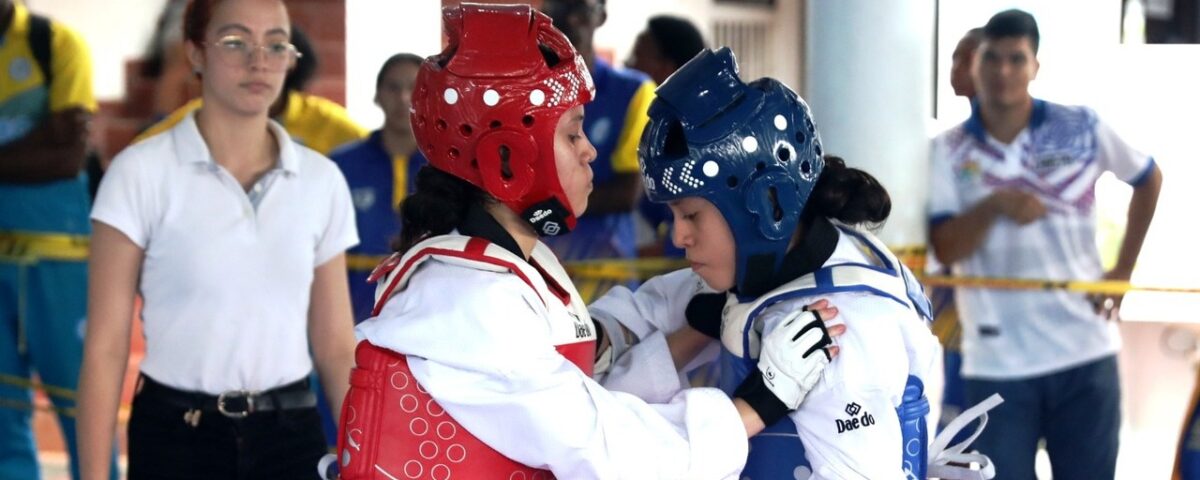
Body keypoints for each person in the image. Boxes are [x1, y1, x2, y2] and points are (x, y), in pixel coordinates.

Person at [334, 5, 841, 479]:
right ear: (507, 160)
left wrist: (694, 323)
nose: (590, 150)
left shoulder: (510, 265)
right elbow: (602, 448)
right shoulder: (470, 301)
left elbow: (580, 392)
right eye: (573, 133)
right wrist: (759, 403)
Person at [592, 46, 984, 479]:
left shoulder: (834, 332)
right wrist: (597, 337)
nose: (679, 236)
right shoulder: (785, 265)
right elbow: (651, 311)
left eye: (691, 215)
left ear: (765, 205)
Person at [76, 1, 359, 478]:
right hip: (176, 435)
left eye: (275, 44)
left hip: (290, 435)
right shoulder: (141, 172)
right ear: (195, 54)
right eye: (235, 42)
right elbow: (106, 347)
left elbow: (334, 344)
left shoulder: (321, 180)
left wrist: (365, 455)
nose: (259, 60)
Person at [929, 9, 1163, 479]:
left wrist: (1123, 272)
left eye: (1017, 59)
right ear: (977, 65)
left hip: (1084, 352)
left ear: (1036, 65)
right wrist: (994, 205)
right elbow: (946, 249)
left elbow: (1149, 177)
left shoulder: (1081, 126)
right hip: (997, 364)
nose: (1003, 71)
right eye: (992, 58)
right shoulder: (947, 151)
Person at [0, 1, 112, 478]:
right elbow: (48, 147)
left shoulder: (55, 44)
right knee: (3, 413)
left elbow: (67, 154)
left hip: (61, 265)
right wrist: (32, 141)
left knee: (80, 404)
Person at [537, 0, 655, 266]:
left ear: (600, 16)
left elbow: (626, 194)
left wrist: (535, 209)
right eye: (561, 7)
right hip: (541, 267)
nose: (571, 19)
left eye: (581, 9)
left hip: (607, 272)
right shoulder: (528, 92)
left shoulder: (634, 92)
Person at [135, 26, 367, 155]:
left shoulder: (323, 120)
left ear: (292, 64)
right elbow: (139, 150)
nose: (258, 69)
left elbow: (376, 149)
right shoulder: (201, 115)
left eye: (273, 56)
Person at [329, 53, 426, 324]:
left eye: (415, 88)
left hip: (424, 320)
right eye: (393, 87)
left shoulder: (449, 168)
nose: (404, 97)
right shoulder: (340, 164)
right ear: (376, 95)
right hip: (348, 317)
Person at [930, 25, 983, 438]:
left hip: (1004, 323)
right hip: (953, 314)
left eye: (967, 56)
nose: (956, 67)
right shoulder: (945, 147)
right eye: (954, 57)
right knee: (955, 439)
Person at [625, 14, 707, 258]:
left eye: (637, 57)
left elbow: (707, 216)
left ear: (667, 67)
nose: (628, 66)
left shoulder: (698, 132)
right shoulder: (661, 127)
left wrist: (637, 257)